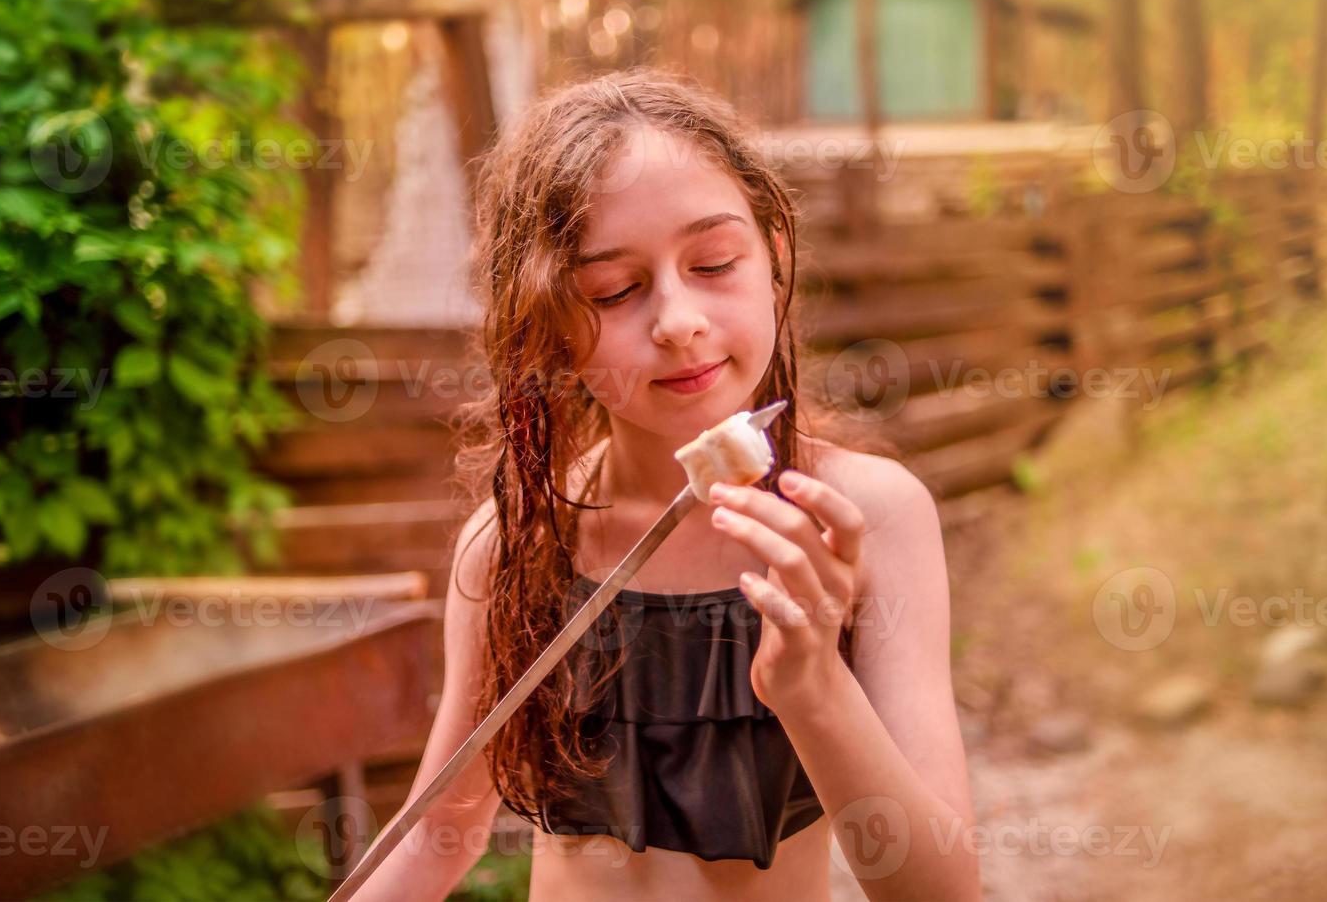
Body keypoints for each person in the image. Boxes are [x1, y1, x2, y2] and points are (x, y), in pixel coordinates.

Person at [353, 69, 979, 901]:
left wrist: (813, 689)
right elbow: (440, 833)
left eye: (714, 262)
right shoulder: (513, 544)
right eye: (615, 290)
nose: (679, 321)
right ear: (545, 324)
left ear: (774, 259)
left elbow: (940, 891)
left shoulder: (867, 521)